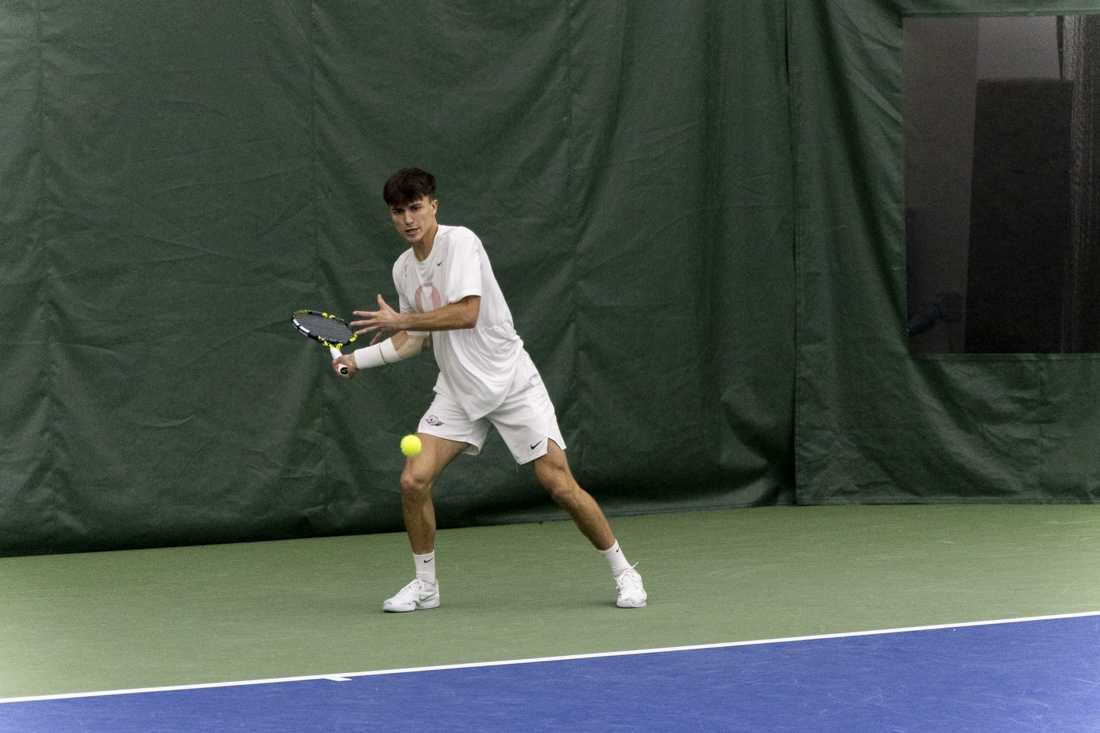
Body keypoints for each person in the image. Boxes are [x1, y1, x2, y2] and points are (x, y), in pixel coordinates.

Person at [333, 167, 647, 612]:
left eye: (415, 207)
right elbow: (413, 340)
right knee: (413, 479)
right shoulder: (403, 269)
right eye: (398, 211)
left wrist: (402, 320)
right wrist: (357, 359)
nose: (407, 219)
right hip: (459, 392)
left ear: (433, 205)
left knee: (558, 484)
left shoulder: (460, 242)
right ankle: (426, 585)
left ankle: (624, 572)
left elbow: (466, 313)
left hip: (511, 381)